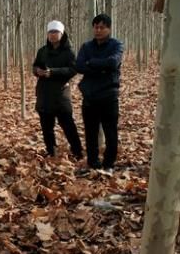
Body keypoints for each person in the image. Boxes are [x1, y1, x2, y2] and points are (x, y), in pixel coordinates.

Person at [76, 13, 123, 172]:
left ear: (109, 29)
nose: (98, 30)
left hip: (109, 96)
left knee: (111, 133)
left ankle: (109, 164)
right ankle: (93, 162)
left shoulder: (116, 45)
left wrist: (92, 63)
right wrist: (100, 67)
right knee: (90, 132)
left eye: (102, 27)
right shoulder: (86, 46)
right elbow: (80, 66)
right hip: (89, 96)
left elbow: (113, 62)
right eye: (96, 27)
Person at [33, 20, 83, 159]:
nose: (52, 35)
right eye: (50, 32)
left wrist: (53, 72)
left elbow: (73, 69)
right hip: (44, 93)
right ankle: (51, 151)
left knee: (68, 125)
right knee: (46, 127)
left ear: (61, 33)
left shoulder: (69, 52)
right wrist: (38, 71)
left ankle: (78, 152)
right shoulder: (42, 51)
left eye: (55, 32)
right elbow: (35, 66)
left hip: (61, 93)